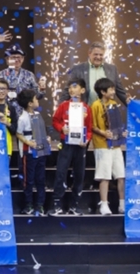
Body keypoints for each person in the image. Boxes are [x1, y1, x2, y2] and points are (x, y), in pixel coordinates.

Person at [48, 78, 93, 216]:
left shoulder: (86, 108)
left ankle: (75, 205)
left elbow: (89, 128)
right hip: (66, 144)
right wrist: (62, 128)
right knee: (61, 172)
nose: (71, 90)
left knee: (79, 175)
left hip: (80, 146)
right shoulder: (63, 106)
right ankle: (57, 205)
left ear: (82, 90)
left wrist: (86, 140)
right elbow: (55, 121)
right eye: (70, 88)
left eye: (75, 87)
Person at [91, 78, 127, 215]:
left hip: (116, 145)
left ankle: (122, 204)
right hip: (102, 145)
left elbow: (117, 124)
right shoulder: (95, 105)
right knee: (105, 176)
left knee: (121, 176)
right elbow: (92, 125)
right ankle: (104, 204)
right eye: (111, 89)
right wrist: (103, 133)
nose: (113, 92)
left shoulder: (114, 104)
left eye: (113, 89)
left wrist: (122, 133)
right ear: (103, 92)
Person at [16, 89, 54, 216]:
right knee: (28, 180)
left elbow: (41, 131)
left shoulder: (38, 114)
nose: (38, 101)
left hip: (41, 152)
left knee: (40, 179)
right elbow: (18, 134)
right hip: (29, 154)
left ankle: (40, 205)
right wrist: (28, 142)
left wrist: (47, 138)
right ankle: (28, 204)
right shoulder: (22, 118)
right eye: (36, 99)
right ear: (30, 103)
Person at [0, 43, 46, 115]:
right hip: (4, 114)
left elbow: (37, 96)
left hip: (24, 114)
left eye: (19, 57)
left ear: (23, 59)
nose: (16, 60)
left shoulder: (29, 75)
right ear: (7, 59)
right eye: (13, 57)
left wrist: (41, 89)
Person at [59, 41, 129, 106]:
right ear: (89, 53)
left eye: (101, 55)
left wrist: (132, 105)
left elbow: (120, 91)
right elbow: (67, 91)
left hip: (106, 112)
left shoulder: (112, 69)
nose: (98, 57)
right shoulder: (78, 69)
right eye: (96, 54)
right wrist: (59, 108)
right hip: (85, 111)